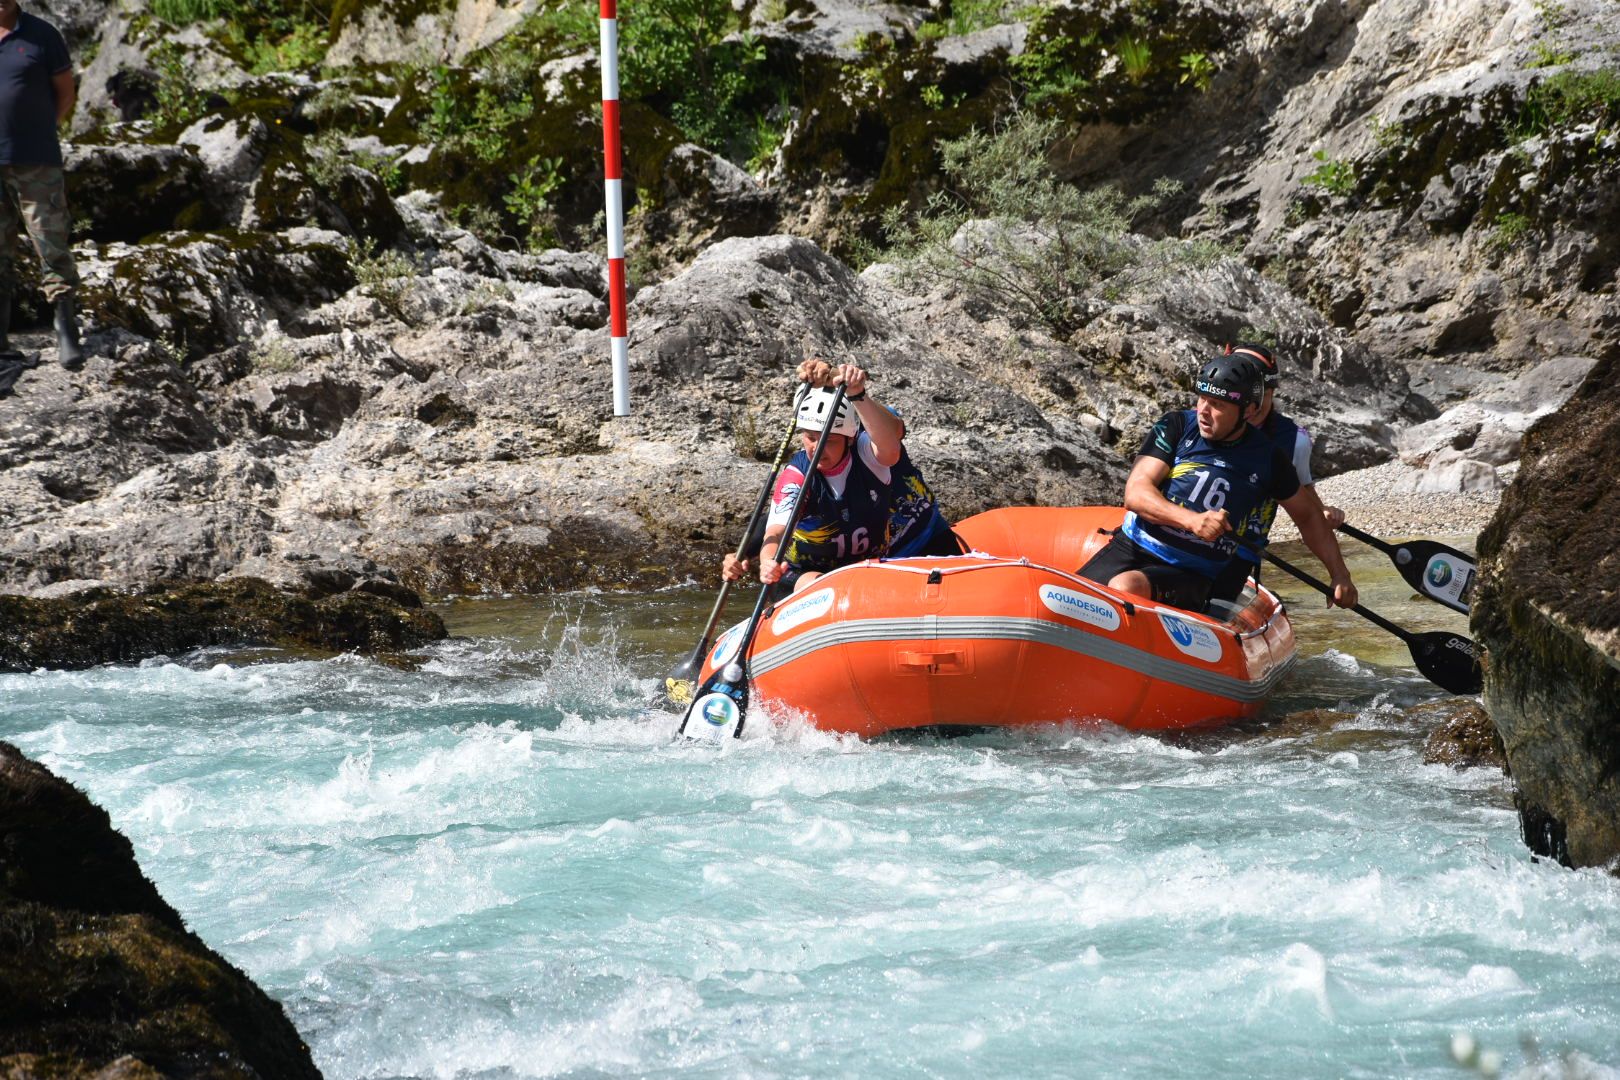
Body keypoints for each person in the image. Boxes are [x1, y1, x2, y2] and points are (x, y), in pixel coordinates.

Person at [1079, 353, 1357, 614]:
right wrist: (1191, 521)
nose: (1204, 411)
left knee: (1125, 587)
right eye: (1202, 399)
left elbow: (1307, 516)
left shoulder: (1269, 458)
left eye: (1218, 405)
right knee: (1069, 599)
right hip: (1132, 546)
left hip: (1195, 573)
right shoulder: (1175, 426)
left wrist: (1339, 575)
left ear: (1248, 410)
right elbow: (1136, 493)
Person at [723, 361, 960, 595]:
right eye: (810, 438)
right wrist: (765, 560)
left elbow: (891, 440)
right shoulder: (797, 475)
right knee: (819, 580)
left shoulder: (870, 441)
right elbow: (775, 528)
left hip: (906, 541)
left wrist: (854, 390)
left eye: (830, 440)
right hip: (816, 571)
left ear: (849, 437)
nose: (818, 448)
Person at [1210, 341, 1348, 604]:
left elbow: (1304, 495)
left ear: (1270, 392)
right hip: (1185, 537)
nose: (1252, 404)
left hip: (1239, 552)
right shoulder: (1202, 421)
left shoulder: (1294, 441)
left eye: (1259, 395)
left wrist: (1323, 514)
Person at [0, 0, 84, 369]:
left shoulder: (42, 35)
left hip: (35, 159)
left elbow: (65, 92)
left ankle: (66, 330)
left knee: (51, 242)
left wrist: (40, 128)